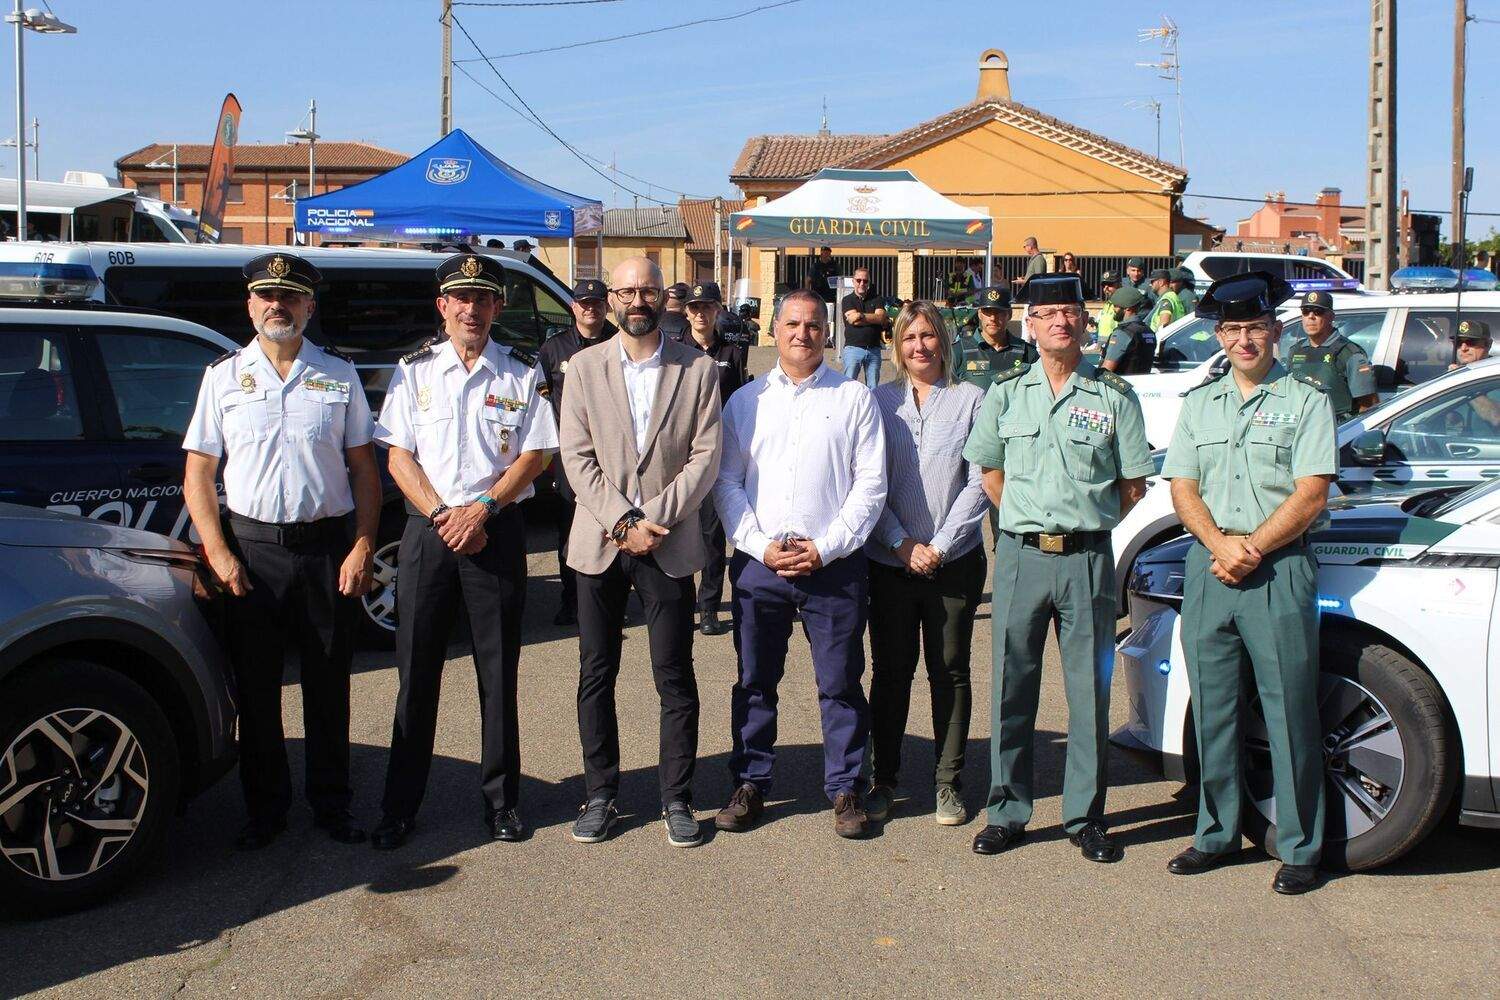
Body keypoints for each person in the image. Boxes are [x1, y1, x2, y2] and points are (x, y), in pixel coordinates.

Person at [182, 252, 380, 851]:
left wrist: (364, 544)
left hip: (326, 550)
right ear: (250, 304)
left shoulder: (338, 375)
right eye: (267, 296)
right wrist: (218, 551)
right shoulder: (222, 377)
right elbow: (198, 474)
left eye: (291, 297)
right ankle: (265, 810)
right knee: (258, 688)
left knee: (328, 684)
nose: (278, 306)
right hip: (253, 552)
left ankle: (331, 804)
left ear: (308, 307)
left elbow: (364, 472)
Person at [961, 274, 1152, 863]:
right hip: (1020, 555)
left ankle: (1084, 815)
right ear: (1031, 323)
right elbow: (988, 470)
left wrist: (1081, 518)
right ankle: (1008, 810)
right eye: (1047, 314)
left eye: (1070, 312)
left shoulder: (1114, 398)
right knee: (1011, 688)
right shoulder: (1007, 393)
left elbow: (1133, 485)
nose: (1060, 323)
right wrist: (1027, 515)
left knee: (1088, 690)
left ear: (1084, 322)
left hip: (1088, 559)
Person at [371, 252, 558, 850]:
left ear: (497, 307)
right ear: (443, 307)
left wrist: (482, 510)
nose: (471, 309)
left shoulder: (520, 372)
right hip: (429, 530)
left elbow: (537, 453)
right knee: (415, 673)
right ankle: (400, 806)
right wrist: (441, 514)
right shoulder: (414, 371)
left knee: (497, 672)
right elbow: (397, 455)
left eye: (483, 299)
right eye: (461, 299)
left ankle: (502, 803)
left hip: (495, 528)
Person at [1160, 271, 1337, 896]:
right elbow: (1182, 486)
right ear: (1218, 334)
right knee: (1213, 710)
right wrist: (1219, 546)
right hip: (1210, 568)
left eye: (1255, 328)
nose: (1244, 340)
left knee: (1290, 711)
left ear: (1275, 331)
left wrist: (1253, 548)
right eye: (1232, 330)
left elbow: (1311, 492)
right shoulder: (1199, 404)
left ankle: (1299, 845)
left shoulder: (1308, 401)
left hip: (1278, 569)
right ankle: (1215, 833)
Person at [558, 257, 724, 849]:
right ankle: (600, 794)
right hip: (600, 540)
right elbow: (575, 456)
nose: (637, 300)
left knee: (673, 675)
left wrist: (651, 519)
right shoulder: (582, 367)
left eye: (647, 290)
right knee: (595, 674)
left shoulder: (698, 368)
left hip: (668, 540)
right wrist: (623, 519)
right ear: (610, 299)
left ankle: (676, 797)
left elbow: (706, 456)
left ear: (664, 298)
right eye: (626, 290)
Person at [711, 289, 887, 839]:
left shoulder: (855, 398)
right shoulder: (745, 402)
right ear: (774, 329)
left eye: (813, 325)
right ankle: (752, 781)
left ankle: (845, 788)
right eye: (792, 324)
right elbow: (727, 482)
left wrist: (828, 546)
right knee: (755, 680)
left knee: (839, 682)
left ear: (826, 332)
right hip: (761, 563)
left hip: (832, 565)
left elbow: (870, 485)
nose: (802, 334)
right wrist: (757, 544)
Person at [864, 302, 989, 827]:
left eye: (929, 335)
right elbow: (864, 480)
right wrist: (899, 542)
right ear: (897, 345)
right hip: (889, 561)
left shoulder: (972, 400)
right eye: (910, 336)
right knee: (892, 673)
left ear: (944, 341)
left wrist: (938, 543)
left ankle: (947, 782)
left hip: (953, 561)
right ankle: (885, 779)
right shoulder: (876, 401)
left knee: (950, 670)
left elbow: (982, 480)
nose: (920, 345)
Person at [536, 278, 619, 626]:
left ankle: (615, 598)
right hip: (572, 457)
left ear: (606, 307)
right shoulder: (553, 349)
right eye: (584, 303)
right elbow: (542, 402)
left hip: (615, 454)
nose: (591, 309)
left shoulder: (621, 343)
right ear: (573, 308)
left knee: (616, 523)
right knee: (571, 531)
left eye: (597, 303)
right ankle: (572, 600)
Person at [683, 281, 752, 635]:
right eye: (694, 308)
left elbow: (739, 403)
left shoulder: (733, 353)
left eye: (706, 307)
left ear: (717, 310)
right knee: (678, 532)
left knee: (711, 537)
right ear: (686, 312)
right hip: (680, 456)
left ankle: (708, 607)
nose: (700, 313)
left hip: (717, 455)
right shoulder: (676, 352)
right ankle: (681, 605)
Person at [1283, 290, 1378, 423]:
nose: (1311, 316)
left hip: (1338, 429)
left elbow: (1369, 404)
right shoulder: (1295, 351)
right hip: (1302, 428)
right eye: (1306, 311)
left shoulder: (1349, 353)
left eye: (1318, 311)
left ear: (1331, 316)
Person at [956, 286, 1036, 391]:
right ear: (980, 314)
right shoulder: (958, 351)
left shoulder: (1027, 352)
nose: (993, 318)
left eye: (999, 312)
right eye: (988, 312)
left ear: (1009, 314)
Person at [841, 266, 887, 389]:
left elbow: (881, 318)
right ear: (853, 281)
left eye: (865, 281)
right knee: (849, 386)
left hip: (874, 350)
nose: (862, 283)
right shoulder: (847, 300)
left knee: (873, 388)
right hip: (853, 349)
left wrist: (860, 315)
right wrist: (874, 318)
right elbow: (853, 321)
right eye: (859, 280)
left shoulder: (877, 299)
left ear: (869, 282)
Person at [1098, 287, 1156, 374]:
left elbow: (1106, 371)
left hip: (1121, 385)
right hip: (1142, 385)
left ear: (1127, 308)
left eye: (1116, 306)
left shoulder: (1122, 333)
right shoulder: (1148, 331)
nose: (1113, 309)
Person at [1093, 271, 1124, 343]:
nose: (1106, 288)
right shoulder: (1107, 304)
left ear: (1119, 285)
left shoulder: (1123, 304)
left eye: (1110, 284)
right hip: (1102, 345)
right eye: (1104, 285)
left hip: (1115, 345)